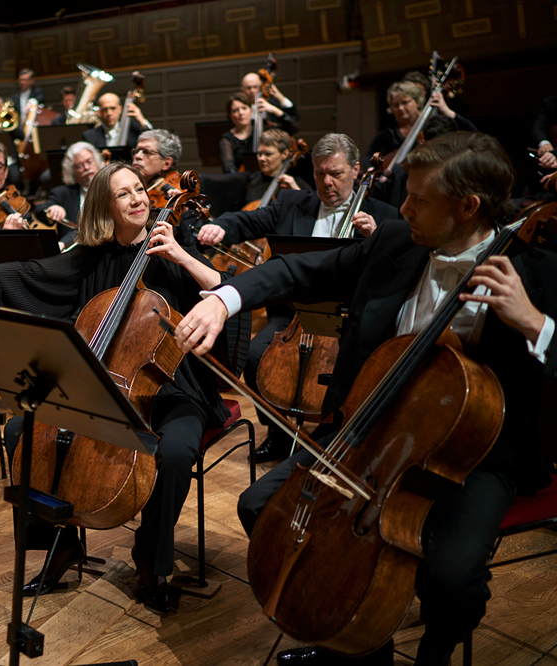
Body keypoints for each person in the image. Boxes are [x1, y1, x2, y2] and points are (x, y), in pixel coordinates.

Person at [176, 132, 557, 666]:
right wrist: (225, 298)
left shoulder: (537, 273)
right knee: (260, 506)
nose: (401, 208)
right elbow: (298, 270)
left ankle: (435, 651)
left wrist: (536, 324)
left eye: (418, 198)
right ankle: (358, 641)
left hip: (470, 456)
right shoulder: (395, 242)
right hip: (370, 430)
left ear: (467, 206)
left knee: (450, 577)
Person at [0, 162, 231, 613]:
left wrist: (182, 255)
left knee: (173, 453)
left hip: (172, 386)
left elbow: (227, 289)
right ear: (104, 207)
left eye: (140, 189)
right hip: (102, 381)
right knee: (23, 430)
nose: (138, 199)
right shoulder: (91, 255)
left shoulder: (176, 243)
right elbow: (33, 272)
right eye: (124, 194)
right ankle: (60, 545)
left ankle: (150, 561)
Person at [197, 133, 398, 463]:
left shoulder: (384, 215)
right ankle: (277, 431)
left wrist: (377, 239)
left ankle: (337, 434)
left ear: (357, 170)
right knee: (254, 357)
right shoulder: (294, 203)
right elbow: (249, 219)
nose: (327, 182)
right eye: (320, 174)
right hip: (292, 315)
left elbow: (397, 271)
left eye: (336, 173)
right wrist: (221, 226)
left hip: (348, 318)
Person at [363, 80, 476, 168]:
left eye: (405, 102)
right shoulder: (388, 134)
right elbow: (368, 158)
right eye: (395, 105)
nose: (400, 108)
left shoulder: (433, 124)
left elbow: (473, 134)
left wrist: (447, 111)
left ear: (417, 102)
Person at [33, 141, 103, 247]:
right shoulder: (63, 193)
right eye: (79, 166)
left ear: (97, 162)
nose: (86, 168)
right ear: (72, 172)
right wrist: (52, 209)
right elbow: (39, 209)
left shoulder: (112, 188)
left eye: (89, 162)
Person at [82, 92, 152, 149]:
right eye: (104, 109)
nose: (109, 113)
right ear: (99, 112)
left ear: (120, 109)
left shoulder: (133, 129)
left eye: (113, 108)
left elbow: (152, 142)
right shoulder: (89, 136)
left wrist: (142, 120)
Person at [241, 71, 300, 136]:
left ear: (261, 86)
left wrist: (278, 98)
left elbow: (294, 123)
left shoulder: (271, 104)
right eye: (248, 88)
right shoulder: (239, 109)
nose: (252, 91)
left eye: (255, 87)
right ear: (242, 89)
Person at [219, 92, 256, 174]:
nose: (241, 113)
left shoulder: (261, 132)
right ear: (230, 115)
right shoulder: (226, 139)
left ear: (251, 110)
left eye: (244, 108)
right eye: (235, 110)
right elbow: (228, 168)